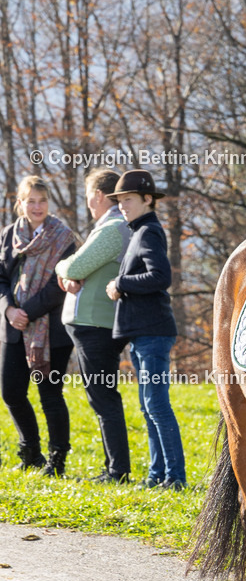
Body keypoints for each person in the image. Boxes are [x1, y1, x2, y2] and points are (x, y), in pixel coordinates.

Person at [105, 170, 186, 491]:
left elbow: (160, 277)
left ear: (148, 199)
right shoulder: (140, 231)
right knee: (148, 405)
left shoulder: (149, 231)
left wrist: (120, 283)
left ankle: (175, 477)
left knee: (156, 405)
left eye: (128, 199)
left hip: (153, 333)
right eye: (119, 200)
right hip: (143, 333)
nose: (122, 205)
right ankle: (156, 475)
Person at [55, 168, 132, 484]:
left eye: (89, 195)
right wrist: (69, 274)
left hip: (95, 325)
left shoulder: (112, 228)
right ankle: (114, 468)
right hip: (94, 325)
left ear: (99, 195)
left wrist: (63, 269)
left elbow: (74, 265)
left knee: (102, 397)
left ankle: (117, 471)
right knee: (101, 396)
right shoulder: (111, 226)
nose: (88, 202)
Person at [0, 175, 76, 475]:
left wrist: (26, 312)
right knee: (11, 392)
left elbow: (60, 284)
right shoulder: (9, 235)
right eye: (31, 201)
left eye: (42, 200)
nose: (37, 206)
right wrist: (9, 310)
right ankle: (31, 452)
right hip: (13, 328)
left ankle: (57, 460)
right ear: (20, 203)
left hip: (52, 331)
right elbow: (1, 278)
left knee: (50, 395)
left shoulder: (63, 237)